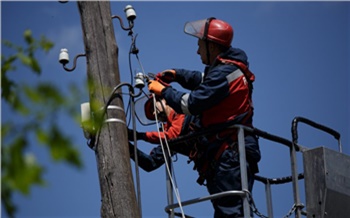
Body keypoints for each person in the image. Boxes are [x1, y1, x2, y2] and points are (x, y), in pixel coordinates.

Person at [148, 17, 261, 217]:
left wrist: (164, 91)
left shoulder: (223, 75)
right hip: (231, 154)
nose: (197, 51)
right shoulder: (229, 69)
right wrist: (176, 74)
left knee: (231, 213)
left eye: (200, 45)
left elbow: (189, 104)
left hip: (228, 155)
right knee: (231, 210)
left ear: (212, 46)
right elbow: (201, 79)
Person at [128, 96, 195, 172]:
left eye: (154, 107)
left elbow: (172, 135)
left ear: (164, 100)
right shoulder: (167, 138)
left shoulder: (182, 109)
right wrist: (129, 148)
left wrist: (141, 136)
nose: (154, 113)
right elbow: (151, 163)